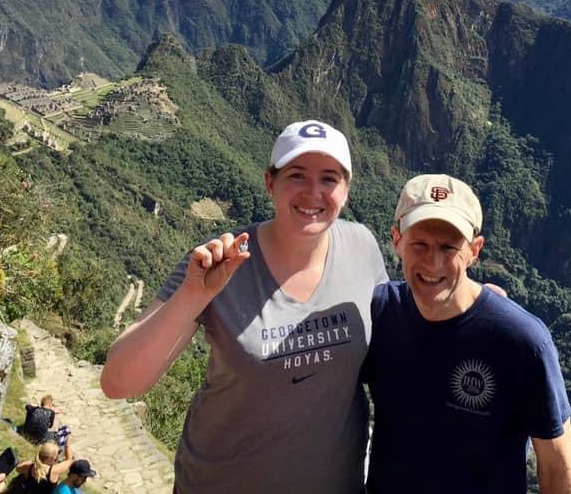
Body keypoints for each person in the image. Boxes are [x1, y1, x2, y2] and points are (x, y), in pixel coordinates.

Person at [100, 120, 388, 494]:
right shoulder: (221, 261)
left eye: (329, 179)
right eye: (297, 176)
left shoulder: (362, 247)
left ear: (346, 190)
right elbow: (119, 383)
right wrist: (193, 295)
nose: (313, 192)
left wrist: (476, 304)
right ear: (271, 183)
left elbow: (397, 340)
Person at [362, 174, 571, 494]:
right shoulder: (379, 313)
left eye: (449, 247)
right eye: (419, 244)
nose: (432, 262)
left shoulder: (522, 341)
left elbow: (556, 463)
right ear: (396, 240)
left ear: (475, 250)